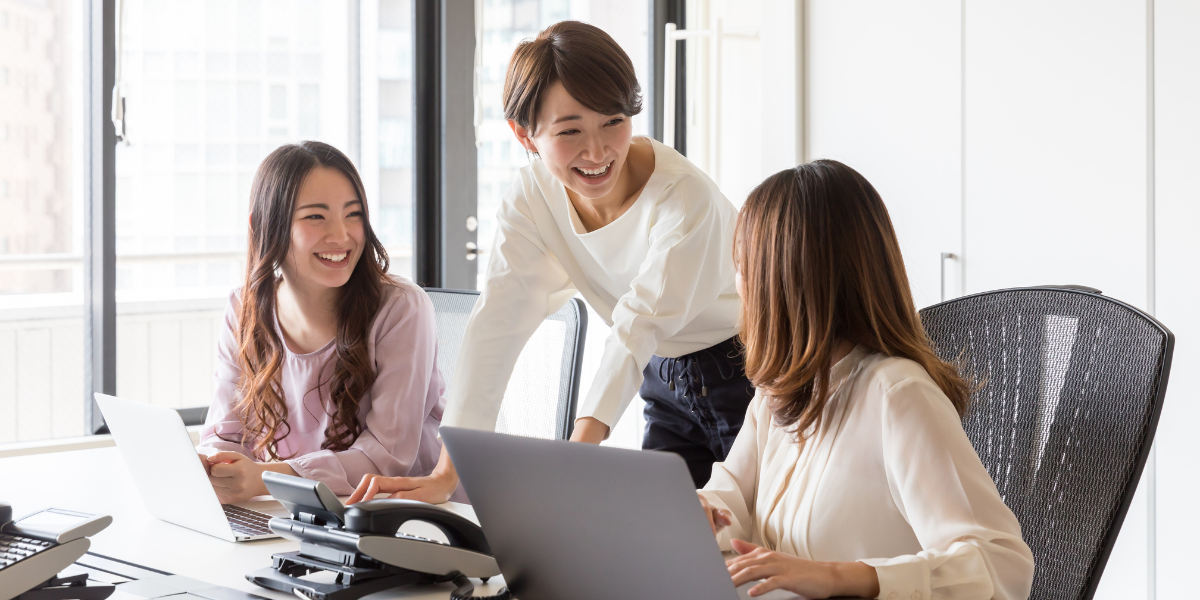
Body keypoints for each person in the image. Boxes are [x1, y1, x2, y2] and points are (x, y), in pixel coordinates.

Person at [348, 20, 749, 505]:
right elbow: (494, 329)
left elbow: (637, 323)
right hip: (661, 376)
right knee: (670, 540)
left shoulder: (684, 199)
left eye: (613, 122)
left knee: (757, 546)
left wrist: (575, 457)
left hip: (746, 371)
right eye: (570, 131)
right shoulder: (532, 199)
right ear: (524, 135)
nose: (598, 151)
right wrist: (447, 473)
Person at [696, 161, 1035, 599]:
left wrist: (843, 576)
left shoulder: (898, 395)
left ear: (785, 283)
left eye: (743, 268)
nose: (737, 286)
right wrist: (702, 511)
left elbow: (1000, 564)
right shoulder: (778, 392)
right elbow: (732, 496)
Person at [195, 141, 457, 504]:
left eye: (353, 214)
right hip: (301, 512)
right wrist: (215, 466)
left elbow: (386, 458)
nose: (341, 235)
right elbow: (224, 434)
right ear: (264, 224)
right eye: (316, 217)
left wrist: (267, 478)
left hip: (404, 519)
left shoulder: (401, 308)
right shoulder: (245, 308)